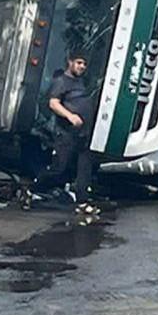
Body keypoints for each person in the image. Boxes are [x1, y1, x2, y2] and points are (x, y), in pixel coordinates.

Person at [36, 51, 101, 218]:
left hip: (83, 133)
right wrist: (70, 116)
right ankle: (34, 188)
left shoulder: (80, 82)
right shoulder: (61, 81)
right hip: (66, 133)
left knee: (84, 168)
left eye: (84, 64)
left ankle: (83, 202)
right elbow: (53, 103)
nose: (82, 67)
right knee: (60, 168)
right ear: (70, 62)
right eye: (79, 63)